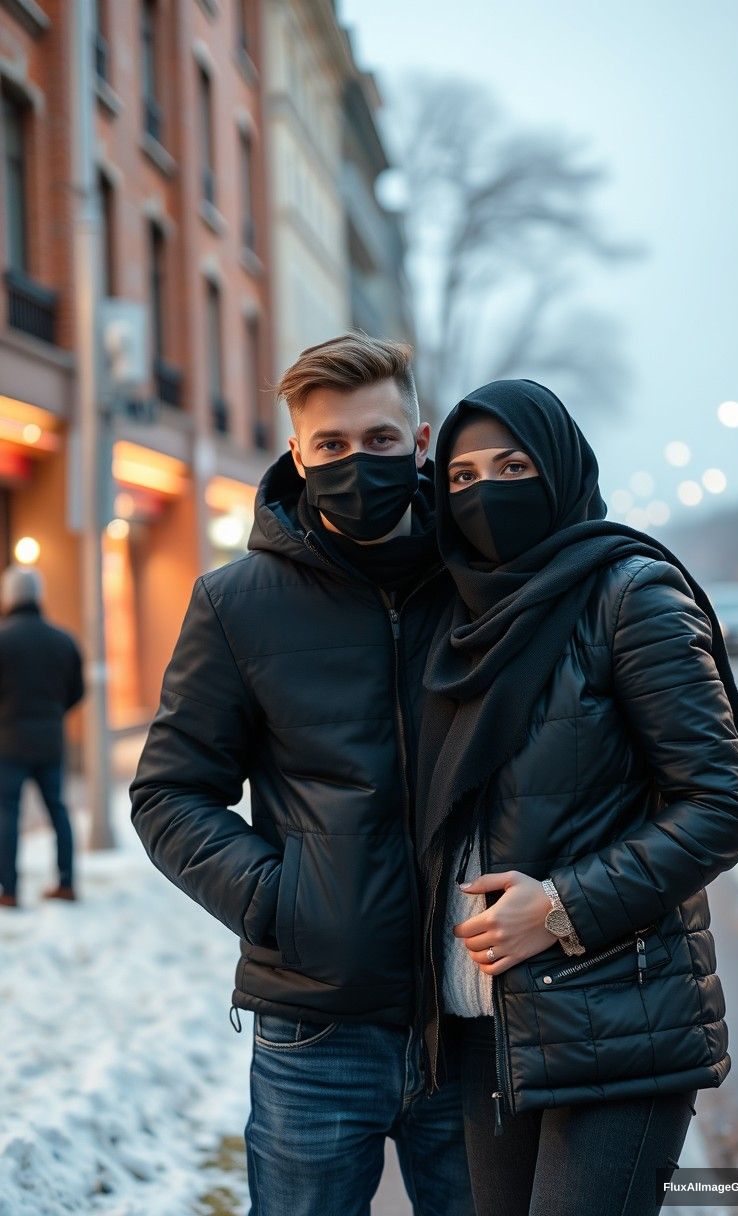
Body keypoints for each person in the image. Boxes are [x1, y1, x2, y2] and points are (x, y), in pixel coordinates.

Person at [129, 334, 475, 1216]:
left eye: (381, 440)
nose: (357, 462)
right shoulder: (235, 603)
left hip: (478, 1014)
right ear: (297, 453)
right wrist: (279, 902)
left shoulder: (488, 582)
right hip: (316, 1029)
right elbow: (168, 792)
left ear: (421, 441)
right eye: (331, 445)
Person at [414, 379, 738, 1216]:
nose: (485, 492)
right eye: (460, 478)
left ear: (561, 468)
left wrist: (561, 907)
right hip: (485, 1028)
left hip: (618, 1020)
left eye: (512, 465)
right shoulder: (460, 619)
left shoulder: (630, 593)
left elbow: (721, 804)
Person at [0, 565, 85, 908]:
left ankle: (9, 890)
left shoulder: (2, 640)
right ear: (38, 596)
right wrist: (53, 713)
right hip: (51, 739)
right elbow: (76, 690)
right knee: (59, 810)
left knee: (7, 813)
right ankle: (66, 882)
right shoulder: (62, 639)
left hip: (7, 742)